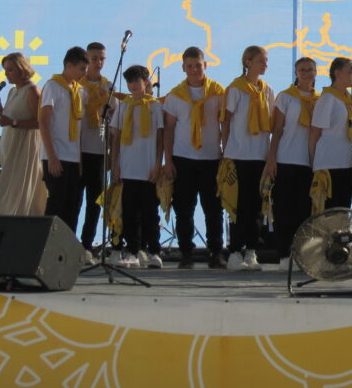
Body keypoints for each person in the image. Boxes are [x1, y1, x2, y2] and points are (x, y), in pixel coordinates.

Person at [163, 46, 226, 270]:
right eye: (189, 66)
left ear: (205, 65)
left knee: (214, 209)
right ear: (183, 68)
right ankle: (186, 253)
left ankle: (216, 252)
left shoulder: (218, 92)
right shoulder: (175, 96)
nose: (194, 70)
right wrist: (168, 160)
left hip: (211, 158)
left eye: (198, 65)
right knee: (184, 209)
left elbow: (224, 124)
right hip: (183, 158)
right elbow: (168, 129)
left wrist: (225, 155)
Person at [222, 45, 275, 271]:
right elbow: (226, 121)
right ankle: (235, 251)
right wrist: (225, 151)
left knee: (256, 205)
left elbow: (272, 123)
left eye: (266, 61)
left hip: (260, 155)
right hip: (238, 154)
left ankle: (252, 251)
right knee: (239, 204)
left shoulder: (267, 90)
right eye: (260, 60)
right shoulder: (236, 88)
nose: (265, 64)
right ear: (248, 62)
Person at [265, 57, 319, 271]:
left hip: (309, 162)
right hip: (286, 159)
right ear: (296, 73)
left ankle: (302, 254)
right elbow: (277, 129)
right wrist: (271, 158)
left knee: (304, 210)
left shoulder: (320, 99)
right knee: (283, 210)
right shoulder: (286, 97)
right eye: (302, 70)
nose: (306, 73)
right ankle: (284, 255)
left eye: (310, 70)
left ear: (316, 73)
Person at [110, 65, 165, 269]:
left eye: (137, 81)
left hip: (148, 168)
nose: (133, 85)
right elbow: (116, 139)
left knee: (151, 213)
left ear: (146, 82)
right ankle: (133, 251)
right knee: (130, 213)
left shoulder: (155, 106)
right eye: (130, 81)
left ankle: (154, 252)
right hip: (128, 167)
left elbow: (160, 139)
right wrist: (115, 166)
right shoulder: (123, 106)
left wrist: (158, 164)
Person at [0, 52, 46, 216]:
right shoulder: (12, 91)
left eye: (10, 69)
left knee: (18, 187)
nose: (6, 74)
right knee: (9, 186)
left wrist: (14, 123)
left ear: (21, 69)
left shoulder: (32, 90)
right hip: (10, 144)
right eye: (5, 70)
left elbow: (40, 123)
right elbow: (6, 117)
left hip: (25, 146)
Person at [38, 46, 89, 231]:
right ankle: (47, 242)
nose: (84, 73)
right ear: (68, 65)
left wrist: (79, 158)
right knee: (56, 203)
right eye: (81, 69)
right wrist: (52, 156)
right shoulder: (53, 86)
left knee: (72, 204)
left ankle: (68, 244)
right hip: (56, 155)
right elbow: (43, 122)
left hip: (73, 156)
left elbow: (79, 126)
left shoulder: (79, 91)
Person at [78, 42, 115, 262]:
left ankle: (87, 244)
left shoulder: (108, 86)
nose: (98, 63)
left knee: (95, 202)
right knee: (74, 201)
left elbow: (114, 119)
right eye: (94, 58)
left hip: (99, 150)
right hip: (77, 151)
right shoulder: (78, 85)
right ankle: (68, 244)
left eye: (102, 58)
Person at [310, 57, 352, 210]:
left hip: (347, 161)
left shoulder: (350, 100)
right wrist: (313, 162)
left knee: (344, 208)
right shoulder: (328, 98)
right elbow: (315, 132)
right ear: (337, 73)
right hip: (329, 161)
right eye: (350, 72)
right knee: (329, 209)